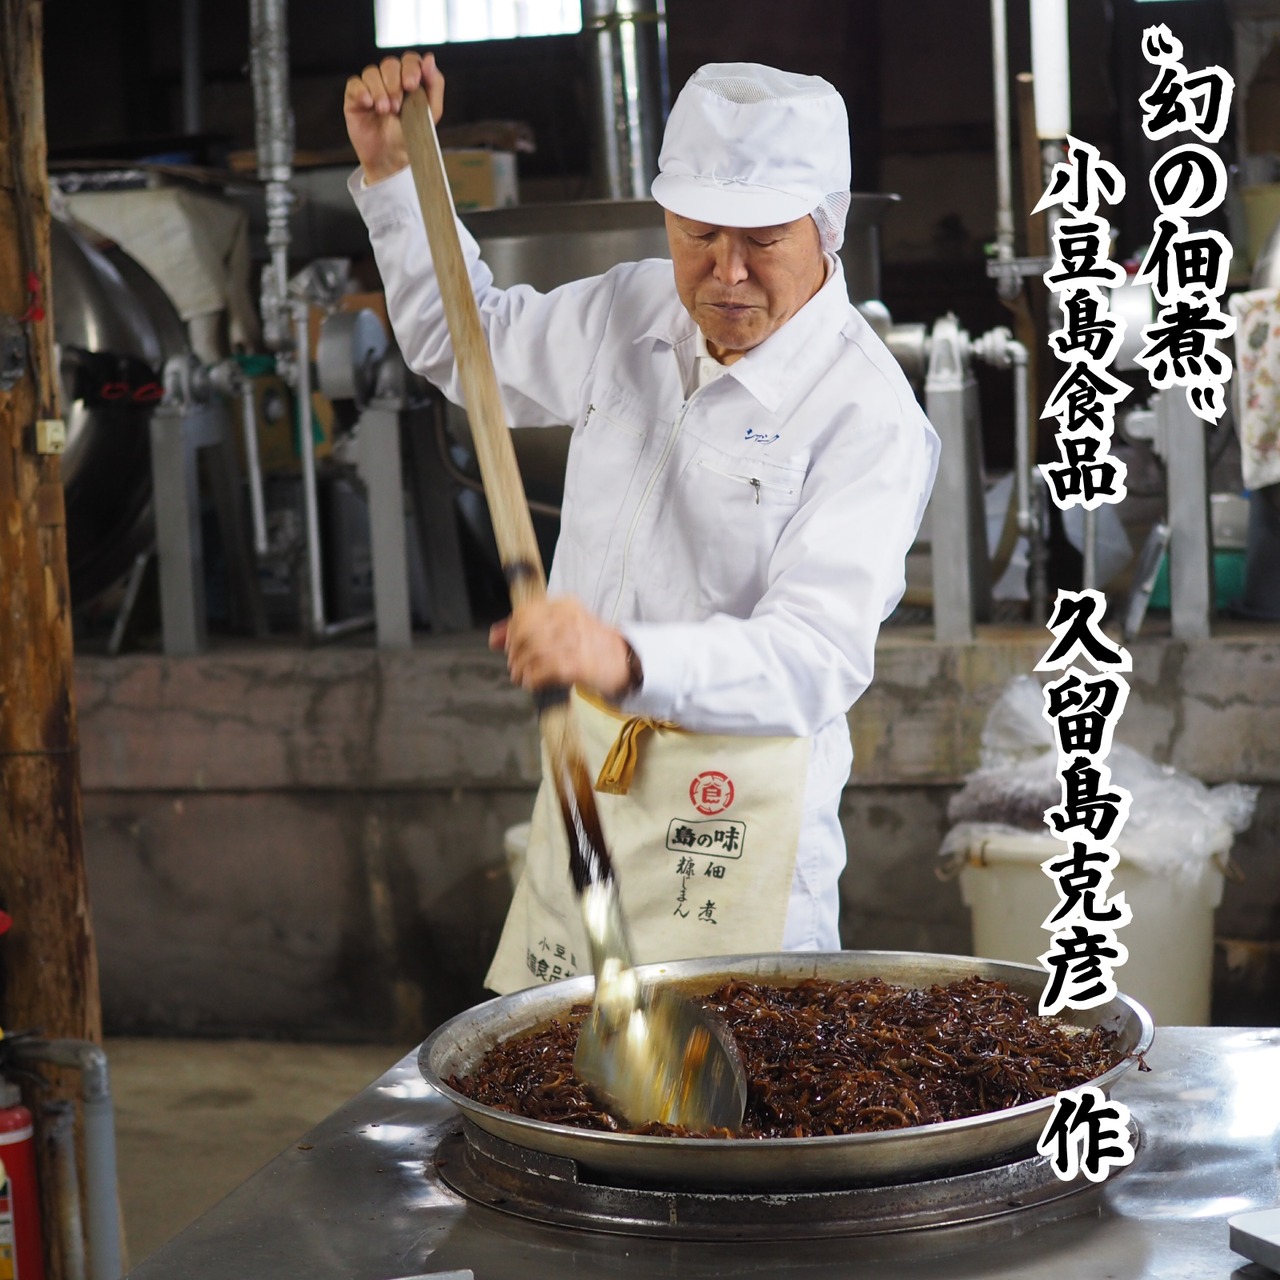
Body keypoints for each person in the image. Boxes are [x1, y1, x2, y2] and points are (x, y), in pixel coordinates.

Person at [345, 53, 939, 992]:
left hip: (734, 810)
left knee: (736, 1087)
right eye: (699, 235)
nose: (725, 274)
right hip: (590, 773)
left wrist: (626, 657)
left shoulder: (865, 416)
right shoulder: (631, 308)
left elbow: (814, 658)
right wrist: (394, 175)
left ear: (825, 227)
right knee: (562, 1064)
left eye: (764, 241)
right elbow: (463, 342)